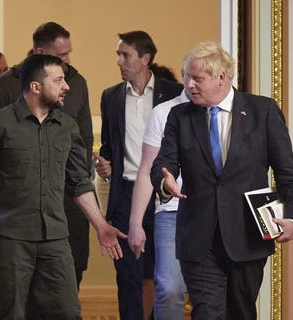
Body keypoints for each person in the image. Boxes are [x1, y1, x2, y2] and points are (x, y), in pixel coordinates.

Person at [0, 54, 126, 320]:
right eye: (58, 80)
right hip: (10, 240)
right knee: (12, 315)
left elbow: (79, 182)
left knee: (67, 312)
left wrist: (100, 225)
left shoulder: (67, 127)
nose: (66, 86)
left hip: (55, 240)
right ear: (36, 86)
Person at [150, 41, 293, 320]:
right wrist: (166, 182)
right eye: (186, 77)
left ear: (221, 77)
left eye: (197, 78)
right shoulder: (179, 116)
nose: (189, 85)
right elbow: (164, 163)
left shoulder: (264, 111)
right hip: (199, 239)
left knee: (241, 314)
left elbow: (287, 174)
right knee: (208, 313)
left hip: (247, 237)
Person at [0, 22, 94, 287]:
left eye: (69, 53)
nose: (68, 61)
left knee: (70, 277)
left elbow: (84, 140)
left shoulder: (78, 82)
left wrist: (84, 189)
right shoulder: (6, 87)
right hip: (18, 212)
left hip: (68, 200)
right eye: (61, 56)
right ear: (39, 52)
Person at [95, 30, 183, 320]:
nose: (119, 61)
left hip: (164, 195)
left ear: (145, 58)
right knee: (128, 276)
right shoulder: (110, 97)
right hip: (126, 194)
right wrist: (105, 166)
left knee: (162, 273)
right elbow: (109, 146)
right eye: (118, 55)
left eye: (125, 55)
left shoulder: (173, 93)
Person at [128, 86, 189, 320]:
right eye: (188, 76)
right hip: (171, 211)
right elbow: (146, 170)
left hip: (217, 212)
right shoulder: (164, 112)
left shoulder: (238, 110)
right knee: (169, 288)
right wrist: (135, 224)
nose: (191, 84)